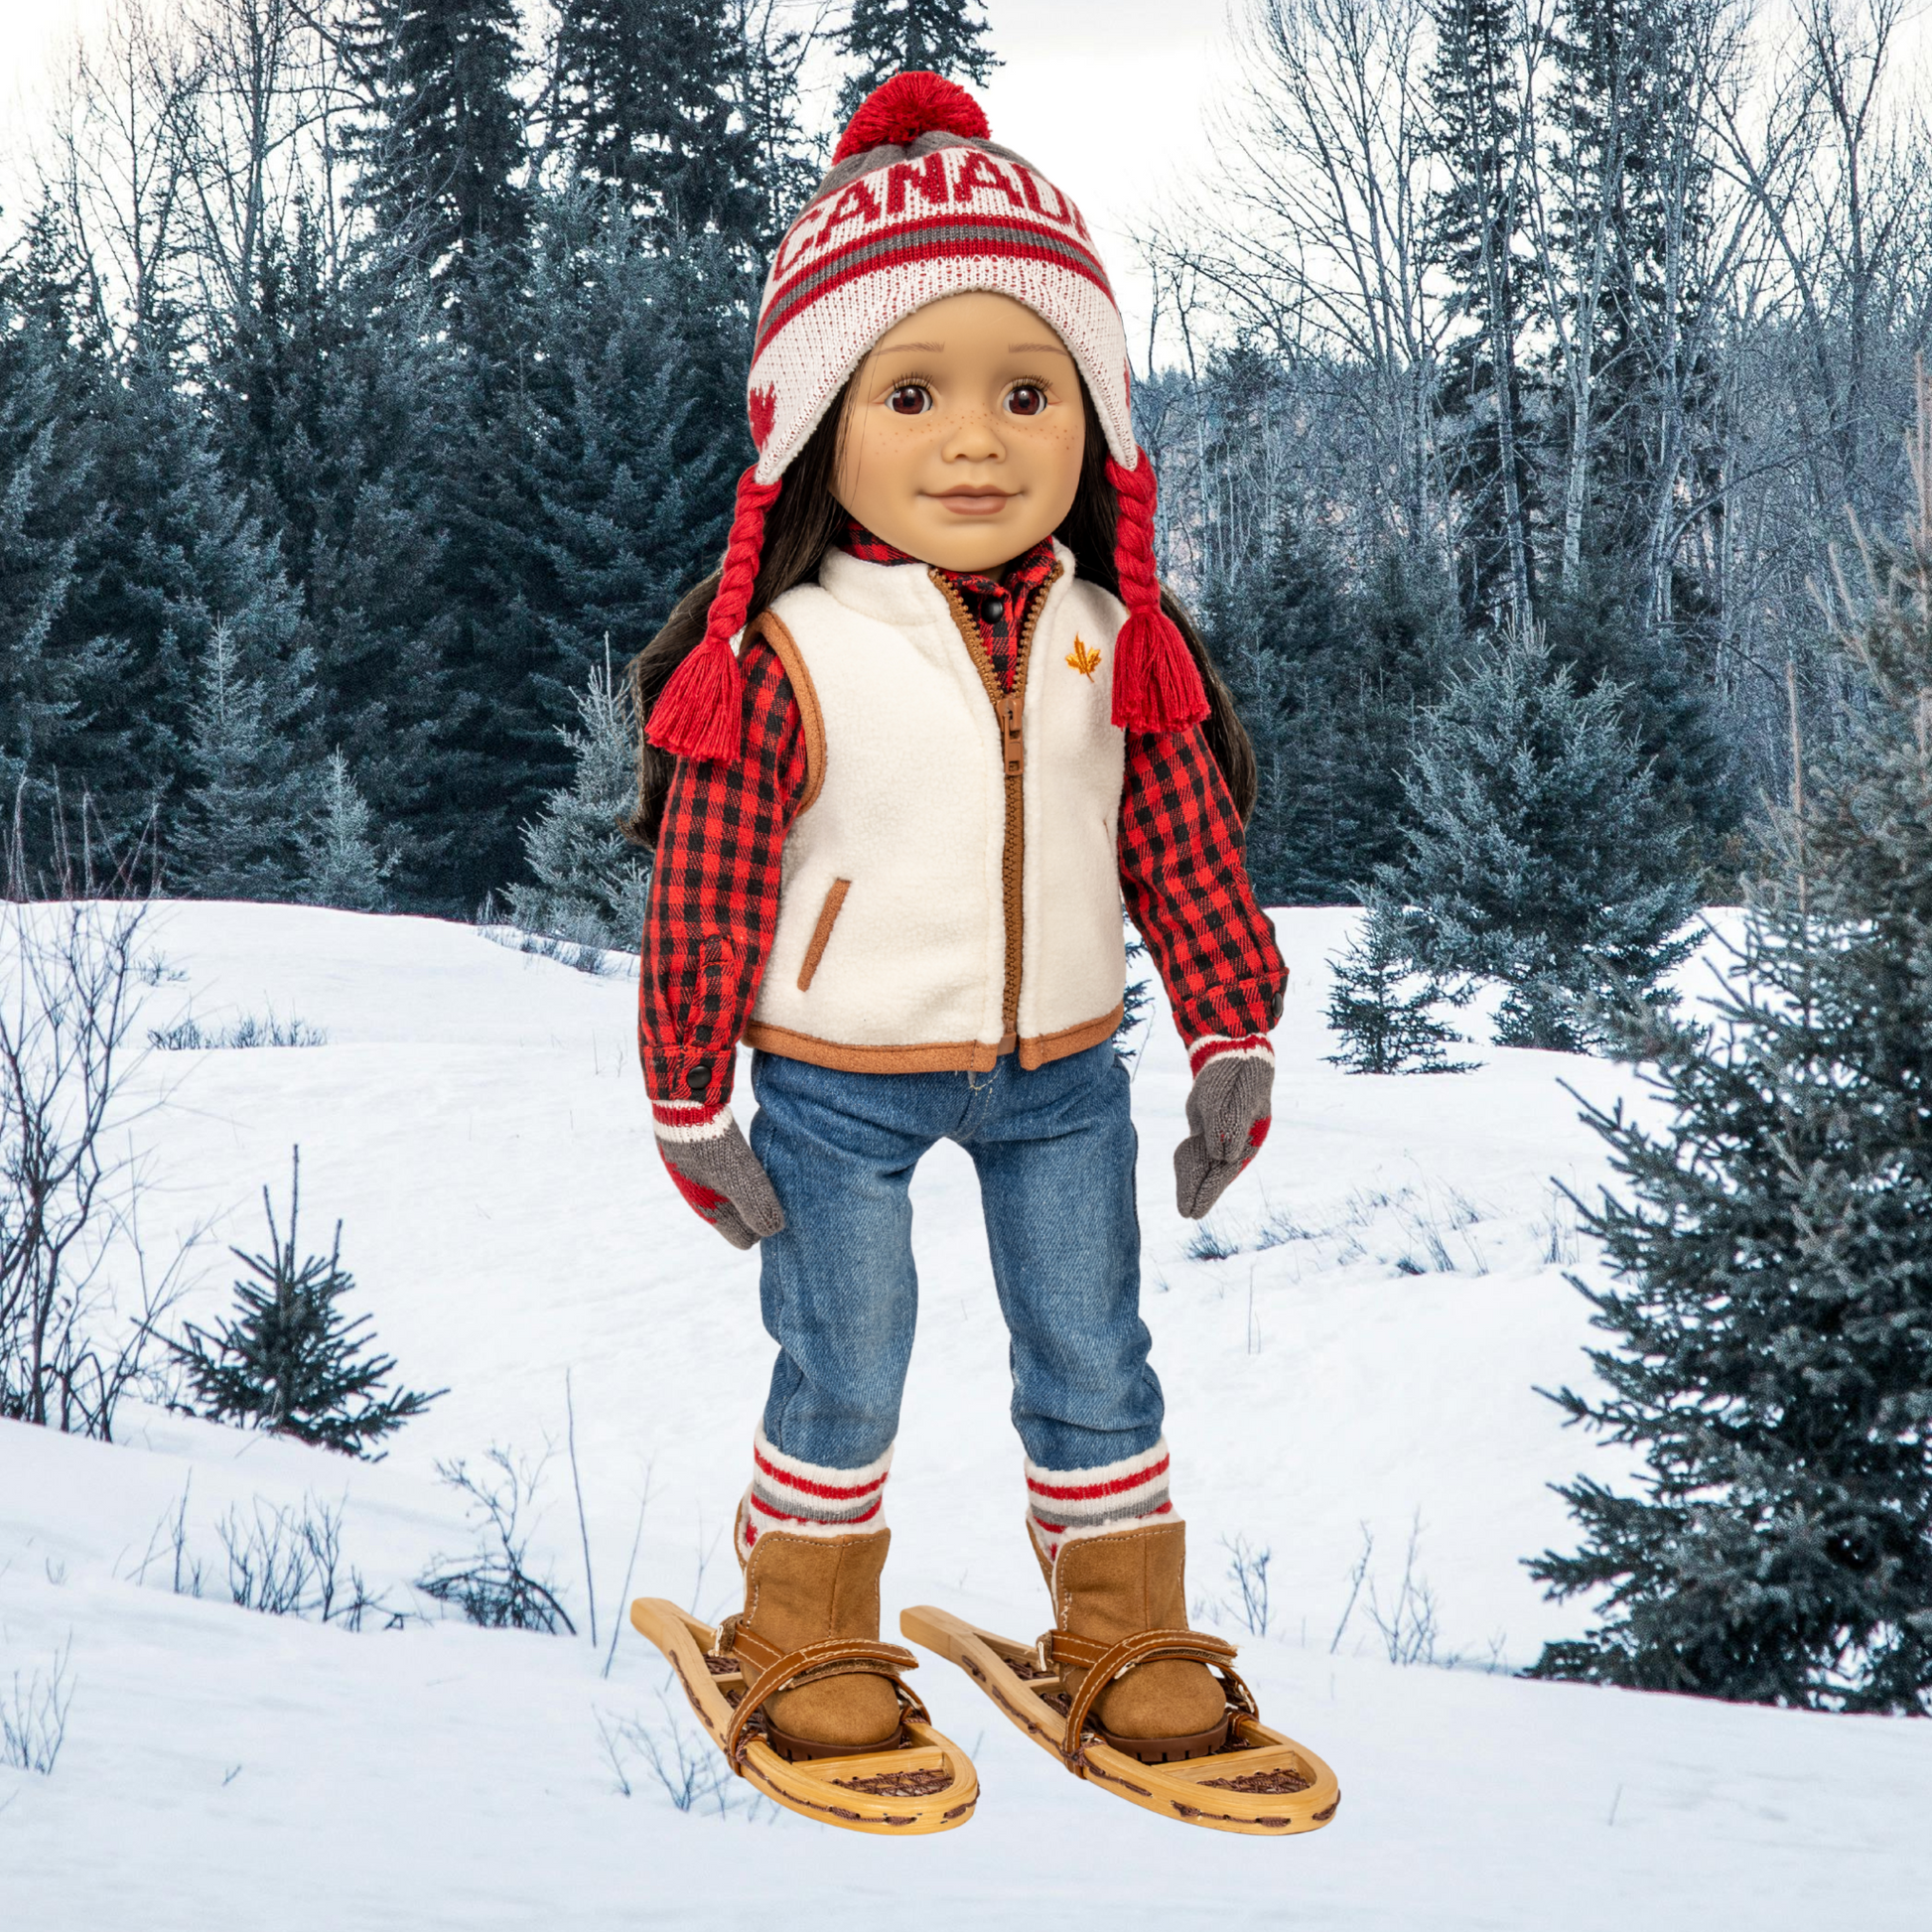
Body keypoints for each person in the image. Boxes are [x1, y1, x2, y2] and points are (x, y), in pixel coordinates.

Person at [629, 71, 1287, 1770]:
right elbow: (703, 894)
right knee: (844, 1358)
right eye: (911, 392)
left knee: (1094, 1348)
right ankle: (802, 1627)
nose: (976, 439)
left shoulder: (1108, 634)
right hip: (835, 1080)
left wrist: (1229, 1032)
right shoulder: (786, 653)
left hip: (1060, 1068)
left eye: (1025, 390)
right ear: (818, 427)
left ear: (1097, 423)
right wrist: (691, 1099)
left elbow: (1181, 846)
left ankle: (1122, 1621)